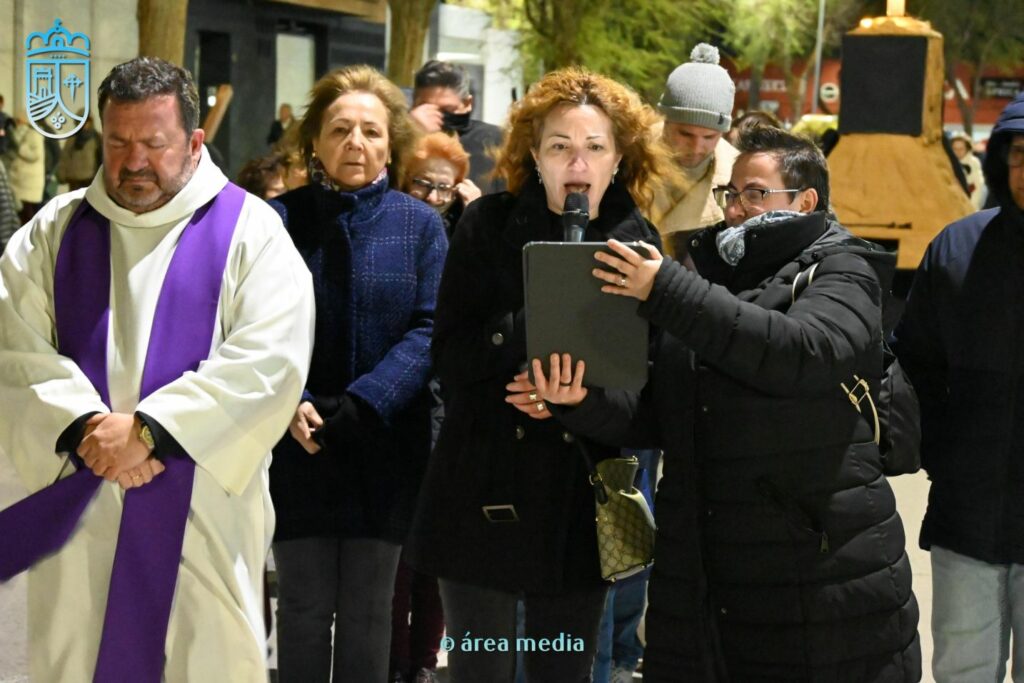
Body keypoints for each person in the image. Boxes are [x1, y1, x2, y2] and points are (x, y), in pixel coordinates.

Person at [537, 125, 921, 682]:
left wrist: (668, 289)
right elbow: (661, 414)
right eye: (732, 192)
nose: (738, 207)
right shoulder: (703, 269)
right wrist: (578, 401)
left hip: (813, 572)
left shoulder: (841, 269)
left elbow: (803, 352)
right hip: (701, 574)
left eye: (756, 193)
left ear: (805, 201)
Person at [0, 56, 315, 681]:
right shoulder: (54, 233)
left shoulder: (252, 233)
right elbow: (14, 346)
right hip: (80, 509)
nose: (134, 161)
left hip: (202, 512)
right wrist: (90, 426)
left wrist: (148, 431)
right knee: (77, 655)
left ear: (195, 142)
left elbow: (268, 362)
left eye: (155, 143)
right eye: (118, 142)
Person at [406, 66, 674, 683]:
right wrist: (530, 332)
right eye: (560, 147)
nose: (576, 165)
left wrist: (572, 402)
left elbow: (645, 401)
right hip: (480, 495)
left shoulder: (639, 245)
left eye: (594, 148)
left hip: (577, 508)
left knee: (563, 671)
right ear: (534, 154)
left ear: (616, 160)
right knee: (479, 670)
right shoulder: (485, 225)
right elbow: (448, 355)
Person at [268, 64, 447, 683]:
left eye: (371, 131)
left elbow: (430, 331)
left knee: (374, 613)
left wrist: (366, 404)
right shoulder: (276, 222)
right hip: (297, 440)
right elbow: (250, 327)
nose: (356, 143)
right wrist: (290, 402)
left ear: (391, 144)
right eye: (340, 128)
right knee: (303, 607)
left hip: (385, 445)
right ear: (313, 139)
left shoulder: (421, 226)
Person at [893, 92, 1024, 683]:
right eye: (1020, 154)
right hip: (968, 514)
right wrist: (942, 453)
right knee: (962, 667)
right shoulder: (957, 249)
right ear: (1001, 162)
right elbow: (914, 365)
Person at [650, 43, 739, 259]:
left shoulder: (739, 178)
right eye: (686, 134)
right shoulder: (622, 157)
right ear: (665, 122)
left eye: (709, 137)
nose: (697, 147)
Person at [410, 60, 504, 191]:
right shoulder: (400, 136)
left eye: (447, 109)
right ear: (415, 103)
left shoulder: (494, 140)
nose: (435, 117)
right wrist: (411, 132)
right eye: (427, 108)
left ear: (467, 103)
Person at [403, 130, 480, 236]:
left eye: (443, 188)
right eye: (423, 183)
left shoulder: (458, 230)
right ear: (405, 180)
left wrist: (475, 216)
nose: (432, 197)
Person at [7, 116, 45, 224]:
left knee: (27, 215)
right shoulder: (20, 134)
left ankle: (29, 238)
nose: (18, 123)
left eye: (19, 120)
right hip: (21, 182)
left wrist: (20, 148)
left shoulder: (34, 134)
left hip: (29, 183)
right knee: (22, 213)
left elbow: (35, 154)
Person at [56, 115, 101, 191]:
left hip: (90, 179)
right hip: (74, 180)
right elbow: (65, 158)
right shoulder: (72, 139)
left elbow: (103, 158)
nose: (84, 124)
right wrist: (61, 175)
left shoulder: (97, 138)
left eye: (87, 122)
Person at [950, 131, 986, 210]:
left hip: (971, 201)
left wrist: (970, 208)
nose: (958, 152)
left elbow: (977, 187)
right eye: (955, 149)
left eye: (961, 149)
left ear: (967, 149)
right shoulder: (948, 163)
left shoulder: (973, 162)